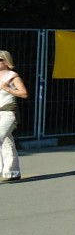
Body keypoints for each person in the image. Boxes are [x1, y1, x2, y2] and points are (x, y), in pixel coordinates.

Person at [0, 50, 29, 183]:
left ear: (6, 62)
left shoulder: (12, 76)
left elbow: (24, 93)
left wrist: (8, 88)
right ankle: (13, 172)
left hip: (9, 112)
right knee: (7, 142)